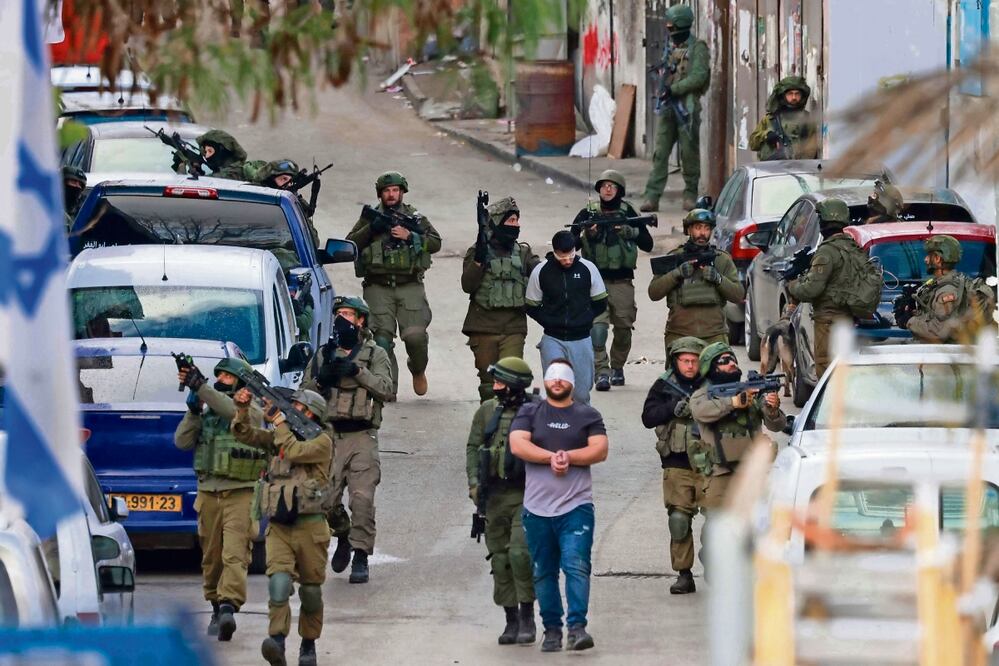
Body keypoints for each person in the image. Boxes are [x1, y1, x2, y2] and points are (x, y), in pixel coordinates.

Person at [509, 359, 608, 652]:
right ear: (545, 379)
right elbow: (518, 444)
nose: (557, 381)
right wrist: (550, 458)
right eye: (552, 376)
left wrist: (570, 458)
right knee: (543, 571)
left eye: (563, 377)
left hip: (576, 506)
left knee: (577, 566)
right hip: (537, 509)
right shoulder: (530, 411)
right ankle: (551, 628)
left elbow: (600, 449)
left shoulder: (587, 414)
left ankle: (577, 627)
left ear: (572, 383)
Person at [230, 388, 333, 666]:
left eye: (298, 408)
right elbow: (247, 435)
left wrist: (280, 423)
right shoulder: (279, 437)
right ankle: (276, 641)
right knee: (278, 583)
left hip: (311, 528)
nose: (292, 411)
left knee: (310, 592)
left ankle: (308, 644)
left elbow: (294, 451)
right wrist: (242, 409)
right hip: (279, 528)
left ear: (311, 415)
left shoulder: (322, 442)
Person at [300, 296, 394, 584]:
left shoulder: (374, 353)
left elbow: (386, 389)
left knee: (362, 499)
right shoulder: (323, 354)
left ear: (361, 320)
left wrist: (357, 371)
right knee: (323, 500)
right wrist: (322, 379)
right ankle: (342, 534)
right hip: (328, 437)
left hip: (362, 436)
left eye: (348, 314)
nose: (342, 319)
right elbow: (303, 394)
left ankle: (362, 556)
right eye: (338, 314)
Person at [174, 356, 267, 642]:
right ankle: (216, 604)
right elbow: (182, 441)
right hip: (209, 492)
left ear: (240, 381)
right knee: (211, 557)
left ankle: (229, 606)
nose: (222, 381)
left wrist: (202, 388)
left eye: (227, 377)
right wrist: (192, 410)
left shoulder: (250, 408)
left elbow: (233, 412)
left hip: (241, 491)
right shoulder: (207, 410)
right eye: (219, 377)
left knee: (235, 554)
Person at [689, 343, 787, 566]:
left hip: (752, 472)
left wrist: (771, 407)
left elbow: (777, 425)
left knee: (755, 525)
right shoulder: (702, 395)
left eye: (732, 359)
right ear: (710, 367)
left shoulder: (752, 392)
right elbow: (701, 412)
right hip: (718, 472)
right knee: (716, 525)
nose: (732, 363)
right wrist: (733, 403)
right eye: (724, 361)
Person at [346, 172, 441, 396]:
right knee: (381, 339)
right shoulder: (370, 217)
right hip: (378, 286)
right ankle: (388, 387)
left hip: (410, 284)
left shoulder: (414, 217)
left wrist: (411, 237)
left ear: (402, 192)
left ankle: (418, 370)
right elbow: (350, 244)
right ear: (380, 194)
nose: (391, 194)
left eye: (396, 190)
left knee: (416, 337)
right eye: (387, 191)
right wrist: (371, 229)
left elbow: (435, 243)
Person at [465, 357, 538, 645]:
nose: (495, 387)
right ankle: (511, 618)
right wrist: (474, 483)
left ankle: (528, 615)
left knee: (520, 554)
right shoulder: (487, 411)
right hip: (493, 495)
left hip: (526, 494)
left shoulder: (535, 412)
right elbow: (473, 447)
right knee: (500, 558)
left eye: (500, 382)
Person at [572, 170, 654, 391]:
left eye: (612, 186)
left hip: (622, 282)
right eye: (604, 185)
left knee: (623, 330)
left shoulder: (629, 212)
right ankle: (602, 372)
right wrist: (586, 233)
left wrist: (631, 232)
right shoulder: (587, 213)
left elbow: (648, 244)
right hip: (594, 282)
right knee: (597, 329)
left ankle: (617, 366)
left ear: (619, 190)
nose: (607, 190)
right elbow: (569, 244)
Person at [640, 336, 706, 595]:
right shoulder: (664, 385)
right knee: (678, 520)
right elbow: (648, 417)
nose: (690, 366)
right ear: (675, 361)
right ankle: (684, 573)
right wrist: (671, 408)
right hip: (676, 463)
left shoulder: (712, 384)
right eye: (685, 361)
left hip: (709, 464)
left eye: (694, 361)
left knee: (717, 522)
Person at [461, 197, 541, 402]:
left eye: (516, 220)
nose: (515, 225)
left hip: (513, 328)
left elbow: (541, 275)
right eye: (510, 220)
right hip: (483, 328)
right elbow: (467, 286)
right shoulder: (478, 250)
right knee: (489, 384)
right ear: (496, 222)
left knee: (511, 378)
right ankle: (489, 425)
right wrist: (479, 262)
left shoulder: (523, 252)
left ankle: (510, 429)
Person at [525, 230, 608, 405]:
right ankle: (556, 427)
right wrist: (549, 321)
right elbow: (531, 305)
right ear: (554, 252)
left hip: (582, 338)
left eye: (571, 255)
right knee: (556, 390)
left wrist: (585, 319)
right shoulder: (541, 271)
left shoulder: (588, 268)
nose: (568, 260)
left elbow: (600, 301)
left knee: (581, 393)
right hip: (553, 338)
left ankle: (582, 427)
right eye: (563, 257)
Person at [641, 4, 710, 212]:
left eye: (672, 26)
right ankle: (652, 196)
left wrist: (675, 89)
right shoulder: (670, 46)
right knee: (660, 153)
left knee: (689, 154)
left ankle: (690, 194)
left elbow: (699, 77)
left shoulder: (698, 48)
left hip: (687, 107)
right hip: (668, 106)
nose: (670, 31)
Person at [785, 198, 863, 378]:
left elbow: (812, 289)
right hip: (848, 319)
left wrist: (793, 286)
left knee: (826, 370)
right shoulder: (853, 247)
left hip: (828, 321)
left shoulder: (827, 252)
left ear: (825, 221)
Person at [649, 208, 743, 352]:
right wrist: (676, 274)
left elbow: (738, 295)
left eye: (706, 228)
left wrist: (718, 279)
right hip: (680, 335)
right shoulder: (675, 257)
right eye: (698, 228)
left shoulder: (721, 259)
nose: (702, 233)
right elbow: (654, 293)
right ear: (689, 230)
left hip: (714, 335)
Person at [897, 235, 996, 343]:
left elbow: (938, 331)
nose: (925, 260)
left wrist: (909, 321)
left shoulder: (947, 291)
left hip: (945, 355)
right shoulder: (945, 282)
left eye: (928, 256)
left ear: (937, 259)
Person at [748, 76, 819, 161]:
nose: (794, 97)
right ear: (783, 96)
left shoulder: (808, 120)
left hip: (797, 168)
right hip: (771, 169)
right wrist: (766, 135)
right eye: (790, 94)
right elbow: (753, 144)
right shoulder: (770, 119)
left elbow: (811, 149)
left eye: (797, 94)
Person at [256, 159, 322, 246]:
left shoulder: (292, 204)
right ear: (270, 180)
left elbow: (313, 243)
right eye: (284, 179)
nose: (289, 184)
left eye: (291, 180)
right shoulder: (256, 204)